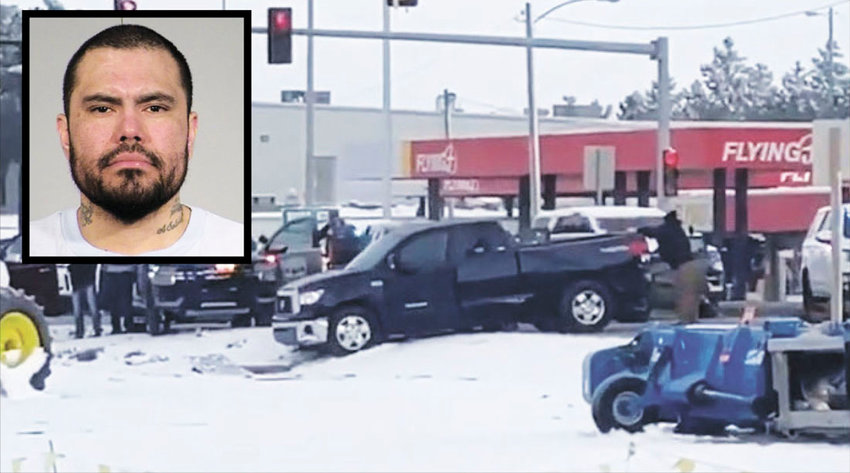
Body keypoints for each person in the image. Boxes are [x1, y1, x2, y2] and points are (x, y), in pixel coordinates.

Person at [29, 24, 242, 256]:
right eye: (102, 109)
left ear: (190, 131)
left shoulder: (236, 246)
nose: (130, 130)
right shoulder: (22, 252)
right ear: (65, 134)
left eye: (154, 108)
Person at [639, 210, 708, 324]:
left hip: (685, 267)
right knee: (692, 296)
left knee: (684, 295)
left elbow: (653, 232)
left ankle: (685, 321)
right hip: (693, 265)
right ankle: (691, 320)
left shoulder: (669, 230)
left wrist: (639, 230)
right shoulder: (678, 231)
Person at [100, 264, 136, 334]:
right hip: (126, 271)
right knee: (126, 300)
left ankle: (117, 326)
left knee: (114, 301)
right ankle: (128, 325)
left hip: (111, 272)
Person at [68, 264, 101, 338]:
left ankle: (80, 331)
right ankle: (96, 329)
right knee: (91, 307)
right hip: (86, 281)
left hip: (78, 282)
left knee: (78, 309)